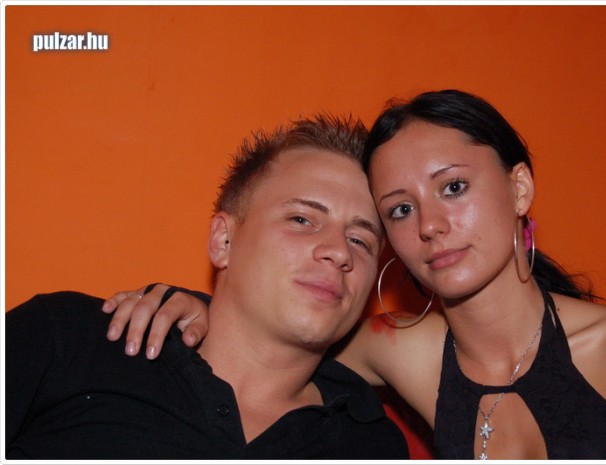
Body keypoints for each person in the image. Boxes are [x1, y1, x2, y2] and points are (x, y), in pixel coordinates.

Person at [102, 90, 606, 460]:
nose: (431, 225)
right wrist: (194, 306)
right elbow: (279, 325)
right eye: (401, 210)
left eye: (453, 187)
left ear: (519, 189)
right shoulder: (405, 352)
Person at [4, 114, 410, 460]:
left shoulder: (371, 445)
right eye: (302, 219)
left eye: (360, 240)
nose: (339, 251)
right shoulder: (69, 339)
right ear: (223, 241)